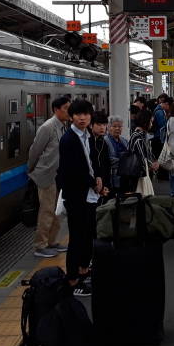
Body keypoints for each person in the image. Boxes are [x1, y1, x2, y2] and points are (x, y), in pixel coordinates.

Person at [58, 99, 107, 296]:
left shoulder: (87, 135)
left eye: (86, 114)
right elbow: (74, 169)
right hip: (76, 195)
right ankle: (72, 279)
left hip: (88, 195)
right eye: (78, 114)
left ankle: (83, 271)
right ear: (71, 117)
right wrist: (93, 183)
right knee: (77, 238)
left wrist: (99, 177)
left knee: (87, 235)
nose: (82, 117)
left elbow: (92, 159)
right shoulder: (69, 139)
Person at [27, 96, 70, 258]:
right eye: (65, 108)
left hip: (59, 175)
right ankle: (40, 245)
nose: (68, 111)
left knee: (56, 211)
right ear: (56, 109)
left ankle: (51, 241)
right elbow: (35, 151)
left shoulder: (63, 127)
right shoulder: (48, 127)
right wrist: (31, 169)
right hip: (47, 175)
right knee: (46, 211)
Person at [126, 109, 159, 193]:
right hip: (139, 176)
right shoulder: (138, 138)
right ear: (145, 122)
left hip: (138, 174)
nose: (151, 125)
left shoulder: (139, 135)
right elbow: (142, 158)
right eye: (150, 122)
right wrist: (152, 165)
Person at [89, 110, 112, 196]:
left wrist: (105, 185)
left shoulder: (103, 142)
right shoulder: (87, 141)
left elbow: (106, 164)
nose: (102, 127)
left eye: (104, 125)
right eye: (98, 125)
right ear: (91, 125)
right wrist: (96, 185)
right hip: (90, 184)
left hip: (102, 185)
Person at [105, 115, 129, 192]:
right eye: (114, 126)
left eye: (120, 126)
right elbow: (108, 159)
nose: (117, 128)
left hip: (126, 175)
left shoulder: (124, 140)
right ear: (108, 127)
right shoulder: (105, 141)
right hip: (113, 176)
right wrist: (124, 161)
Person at [150, 93, 170, 159]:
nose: (169, 108)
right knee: (158, 157)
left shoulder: (160, 110)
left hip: (157, 137)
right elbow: (162, 125)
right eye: (169, 106)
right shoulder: (159, 112)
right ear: (166, 103)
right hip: (158, 138)